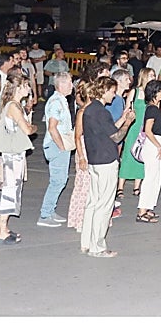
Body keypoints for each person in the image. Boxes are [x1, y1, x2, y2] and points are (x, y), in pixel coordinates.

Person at [81, 75, 135, 257]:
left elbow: (110, 129)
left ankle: (87, 241)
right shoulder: (101, 112)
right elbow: (117, 137)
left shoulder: (91, 109)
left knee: (93, 202)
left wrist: (123, 118)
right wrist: (128, 123)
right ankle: (98, 246)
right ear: (104, 91)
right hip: (106, 160)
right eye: (112, 91)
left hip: (95, 159)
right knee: (104, 204)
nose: (114, 95)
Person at [0, 73, 35, 245]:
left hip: (15, 152)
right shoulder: (14, 107)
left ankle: (3, 228)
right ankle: (1, 230)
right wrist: (34, 126)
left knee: (14, 189)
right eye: (26, 85)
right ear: (19, 87)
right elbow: (27, 129)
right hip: (12, 154)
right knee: (10, 190)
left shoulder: (16, 105)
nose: (29, 89)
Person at [38, 71, 74, 227]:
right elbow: (53, 128)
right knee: (57, 181)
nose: (72, 86)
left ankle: (50, 210)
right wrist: (61, 147)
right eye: (70, 83)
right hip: (56, 144)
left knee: (60, 179)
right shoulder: (56, 102)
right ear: (61, 84)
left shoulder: (61, 100)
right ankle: (45, 214)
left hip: (60, 143)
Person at [117, 68, 156, 204]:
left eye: (154, 75)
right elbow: (127, 108)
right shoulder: (135, 92)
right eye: (150, 75)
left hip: (144, 127)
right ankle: (120, 186)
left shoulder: (151, 93)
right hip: (133, 125)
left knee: (141, 155)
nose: (153, 77)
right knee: (128, 154)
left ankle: (137, 185)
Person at [136, 79, 161, 223]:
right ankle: (142, 210)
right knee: (150, 178)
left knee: (156, 178)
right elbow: (148, 130)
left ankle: (148, 207)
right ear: (156, 93)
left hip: (157, 143)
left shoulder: (155, 108)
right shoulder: (151, 109)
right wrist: (158, 146)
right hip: (153, 144)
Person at [66, 80, 95, 233]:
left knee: (92, 184)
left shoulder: (95, 110)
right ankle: (80, 218)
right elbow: (77, 136)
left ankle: (90, 217)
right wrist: (82, 157)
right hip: (84, 149)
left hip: (93, 147)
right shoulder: (82, 112)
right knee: (84, 184)